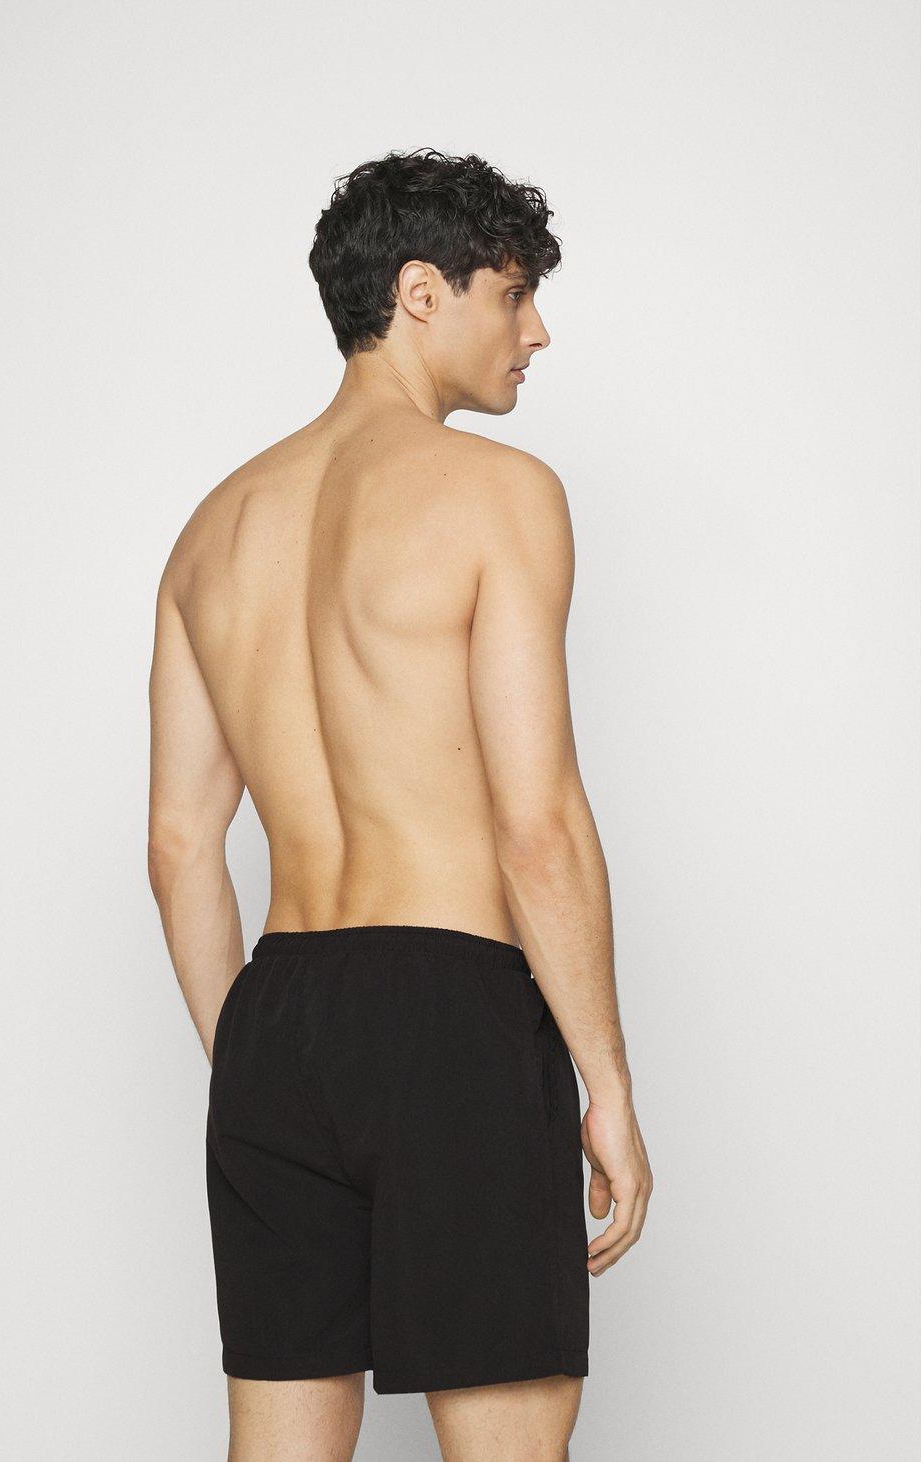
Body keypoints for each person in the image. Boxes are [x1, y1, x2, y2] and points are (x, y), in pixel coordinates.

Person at [147, 147, 652, 1461]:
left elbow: (181, 844)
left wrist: (250, 1064)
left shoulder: (214, 530)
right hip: (451, 1013)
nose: (536, 332)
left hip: (276, 1022)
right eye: (515, 293)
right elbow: (537, 821)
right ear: (423, 293)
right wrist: (604, 1082)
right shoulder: (500, 494)